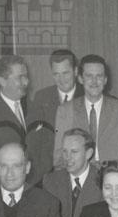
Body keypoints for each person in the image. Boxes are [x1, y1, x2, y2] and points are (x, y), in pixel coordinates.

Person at [0, 55, 48, 185]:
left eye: (26, 76)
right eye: (20, 77)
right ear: (2, 81)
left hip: (36, 188)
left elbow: (44, 150)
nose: (26, 82)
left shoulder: (37, 110)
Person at [52, 54, 118, 168]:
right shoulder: (65, 111)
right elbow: (59, 157)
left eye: (99, 76)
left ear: (105, 80)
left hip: (113, 175)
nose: (94, 81)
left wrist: (115, 175)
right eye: (89, 76)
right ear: (80, 79)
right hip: (78, 176)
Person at [29, 49, 84, 181]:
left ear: (75, 71)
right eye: (56, 74)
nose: (61, 80)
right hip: (49, 172)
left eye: (65, 73)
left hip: (80, 169)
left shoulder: (87, 95)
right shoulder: (41, 97)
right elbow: (34, 139)